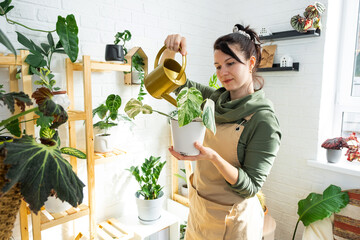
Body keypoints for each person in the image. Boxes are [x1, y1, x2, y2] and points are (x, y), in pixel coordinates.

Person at [165, 24, 281, 239]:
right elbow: (173, 82)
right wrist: (171, 50)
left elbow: (251, 187)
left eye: (230, 63)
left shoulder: (264, 120)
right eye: (218, 66)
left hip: (235, 222)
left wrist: (213, 158)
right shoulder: (214, 100)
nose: (223, 73)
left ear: (251, 63)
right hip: (200, 212)